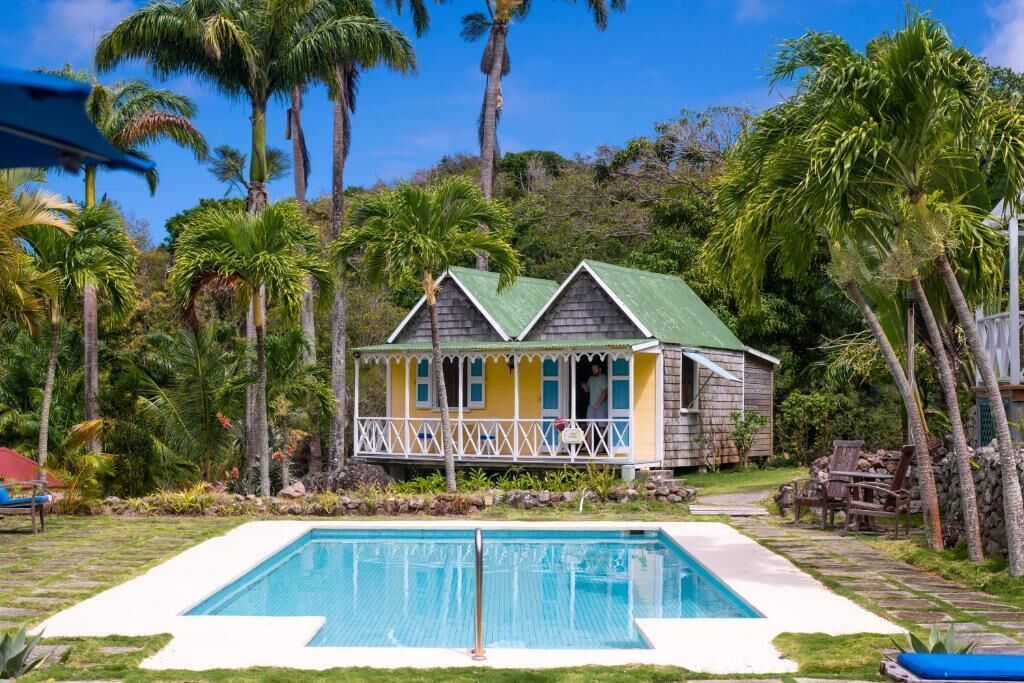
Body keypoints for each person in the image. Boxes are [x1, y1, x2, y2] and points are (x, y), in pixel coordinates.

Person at [580, 361, 608, 451]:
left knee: (601, 426)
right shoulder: (591, 378)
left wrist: (598, 404)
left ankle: (601, 446)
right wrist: (584, 386)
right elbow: (587, 390)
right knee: (589, 426)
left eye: (595, 369)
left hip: (601, 407)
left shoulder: (604, 378)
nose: (593, 370)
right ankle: (588, 445)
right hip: (591, 406)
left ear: (600, 369)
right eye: (593, 369)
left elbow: (605, 392)